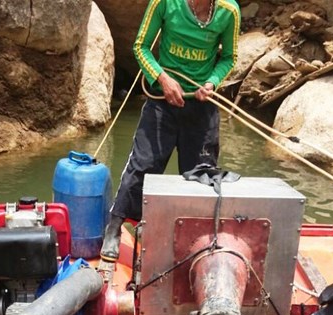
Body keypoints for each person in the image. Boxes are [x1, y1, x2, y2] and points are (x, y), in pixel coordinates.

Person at [100, 0, 241, 261]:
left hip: (201, 104)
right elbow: (141, 47)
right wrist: (163, 79)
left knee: (202, 175)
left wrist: (211, 83)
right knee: (144, 164)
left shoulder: (228, 10)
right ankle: (115, 226)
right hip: (161, 101)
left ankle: (196, 239)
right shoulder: (165, 2)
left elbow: (229, 58)